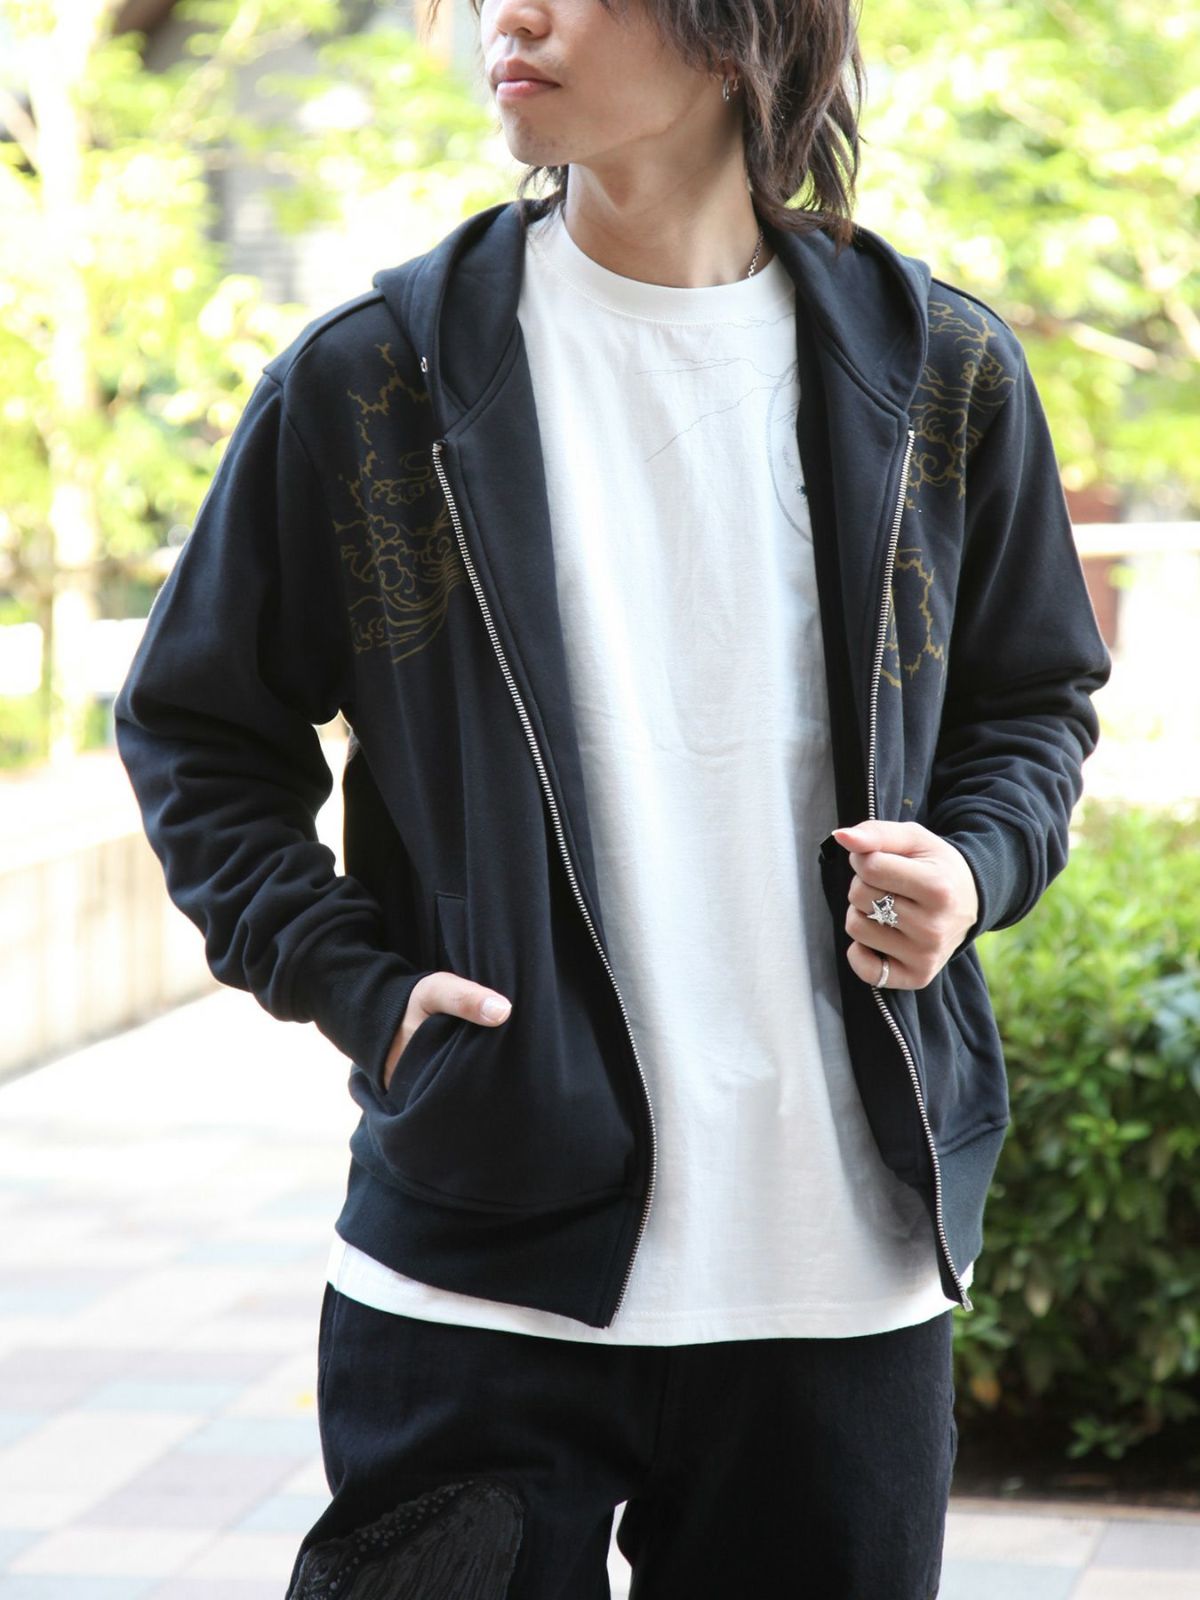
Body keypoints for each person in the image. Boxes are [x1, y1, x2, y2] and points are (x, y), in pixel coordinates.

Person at [114, 0, 1111, 1594]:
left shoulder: (941, 373)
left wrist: (975, 866)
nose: (510, 16)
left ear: (737, 32)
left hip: (838, 1275)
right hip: (478, 1267)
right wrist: (363, 991)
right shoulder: (375, 381)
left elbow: (1031, 699)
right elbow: (198, 728)